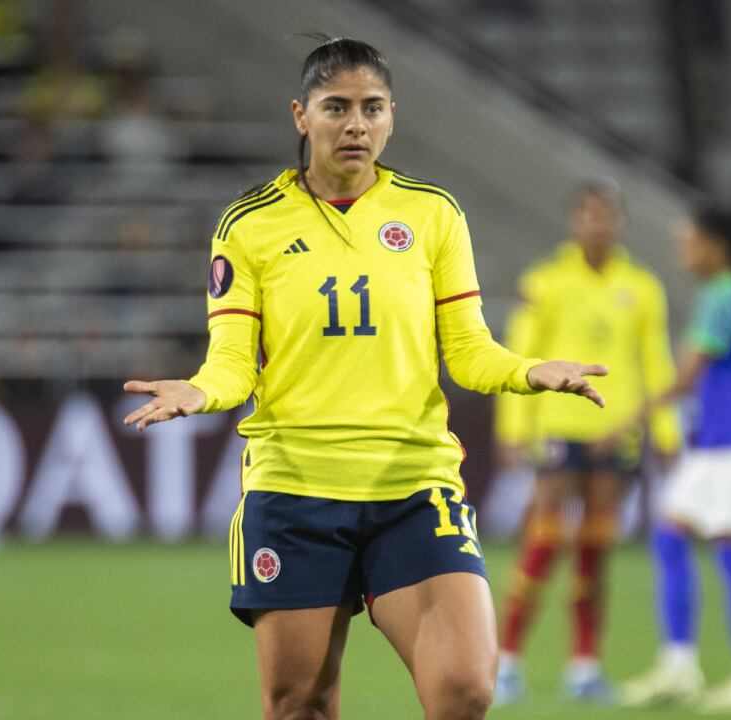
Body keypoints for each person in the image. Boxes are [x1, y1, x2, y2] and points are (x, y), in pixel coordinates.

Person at [122, 37, 609, 720]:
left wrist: (532, 371)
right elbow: (233, 362)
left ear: (392, 116)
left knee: (467, 689)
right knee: (301, 706)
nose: (356, 124)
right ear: (300, 114)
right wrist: (199, 391)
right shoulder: (250, 224)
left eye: (372, 108)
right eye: (337, 107)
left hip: (412, 486)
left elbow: (467, 351)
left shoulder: (432, 213)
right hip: (296, 492)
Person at [492, 181, 681, 704]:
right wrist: (514, 430)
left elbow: (655, 360)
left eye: (605, 215)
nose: (597, 223)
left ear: (618, 221)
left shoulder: (642, 286)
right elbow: (522, 357)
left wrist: (664, 430)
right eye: (587, 214)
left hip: (615, 431)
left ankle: (584, 667)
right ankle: (505, 663)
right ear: (574, 222)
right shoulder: (547, 282)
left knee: (594, 551)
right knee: (544, 542)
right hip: (558, 427)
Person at [617, 208, 731, 712]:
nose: (683, 251)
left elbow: (687, 375)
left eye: (690, 241)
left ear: (716, 245)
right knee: (669, 536)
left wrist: (630, 419)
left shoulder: (724, 296)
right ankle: (679, 665)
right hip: (715, 445)